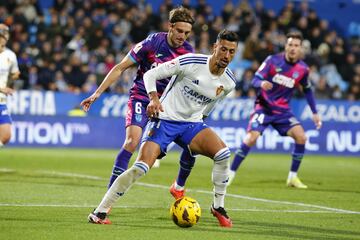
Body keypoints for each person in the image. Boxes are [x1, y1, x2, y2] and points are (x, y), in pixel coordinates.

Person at [87, 29, 239, 228]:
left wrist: (201, 122)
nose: (226, 56)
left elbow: (211, 104)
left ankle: (218, 206)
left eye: (231, 52)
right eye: (223, 50)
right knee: (141, 167)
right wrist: (153, 98)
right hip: (164, 120)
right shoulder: (191, 62)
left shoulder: (229, 82)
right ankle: (100, 211)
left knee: (223, 154)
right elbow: (151, 74)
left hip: (191, 124)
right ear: (215, 47)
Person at [80, 7, 196, 192]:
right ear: (170, 26)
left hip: (166, 106)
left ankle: (176, 184)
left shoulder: (189, 52)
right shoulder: (152, 43)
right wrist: (97, 93)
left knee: (187, 148)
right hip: (141, 97)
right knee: (132, 141)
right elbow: (120, 67)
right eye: (180, 31)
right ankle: (108, 197)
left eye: (187, 33)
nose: (183, 36)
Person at [228, 31, 322, 188]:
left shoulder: (303, 69)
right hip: (263, 107)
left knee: (302, 138)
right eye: (290, 44)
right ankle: (229, 174)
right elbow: (255, 79)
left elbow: (307, 90)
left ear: (301, 49)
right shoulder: (273, 61)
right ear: (286, 46)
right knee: (251, 138)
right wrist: (262, 84)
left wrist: (315, 112)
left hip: (283, 111)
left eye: (296, 46)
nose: (293, 48)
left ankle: (292, 178)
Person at [0, 24, 20, 148]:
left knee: (6, 136)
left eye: (5, 34)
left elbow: (14, 72)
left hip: (1, 100)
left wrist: (14, 77)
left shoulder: (10, 55)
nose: (4, 37)